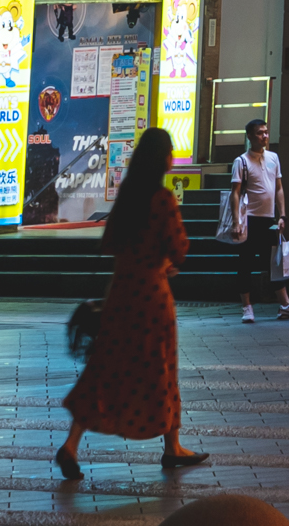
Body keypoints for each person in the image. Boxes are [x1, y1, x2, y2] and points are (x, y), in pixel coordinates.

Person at [57, 128, 208, 479]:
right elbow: (180, 249)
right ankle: (172, 447)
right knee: (162, 368)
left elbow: (110, 243)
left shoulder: (126, 196)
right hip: (152, 299)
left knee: (104, 367)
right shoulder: (163, 199)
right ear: (163, 159)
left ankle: (71, 445)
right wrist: (163, 262)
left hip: (120, 293)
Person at [232, 116, 289, 324]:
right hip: (248, 220)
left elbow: (279, 188)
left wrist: (282, 215)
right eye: (259, 133)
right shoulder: (241, 161)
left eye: (266, 132)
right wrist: (237, 221)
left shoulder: (274, 157)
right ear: (249, 136)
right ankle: (247, 307)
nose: (264, 136)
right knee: (245, 263)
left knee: (274, 264)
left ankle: (285, 305)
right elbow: (235, 192)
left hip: (268, 220)